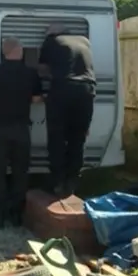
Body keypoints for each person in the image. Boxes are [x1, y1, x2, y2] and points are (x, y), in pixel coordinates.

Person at [0, 37, 43, 228]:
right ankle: (16, 215)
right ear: (19, 51)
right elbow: (37, 99)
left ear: (4, 52)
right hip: (21, 129)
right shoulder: (30, 73)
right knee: (20, 173)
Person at [38, 24, 96, 197]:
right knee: (78, 138)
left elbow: (42, 68)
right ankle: (72, 183)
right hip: (87, 90)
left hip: (63, 88)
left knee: (56, 137)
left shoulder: (51, 41)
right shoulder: (84, 41)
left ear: (52, 33)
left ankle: (56, 182)